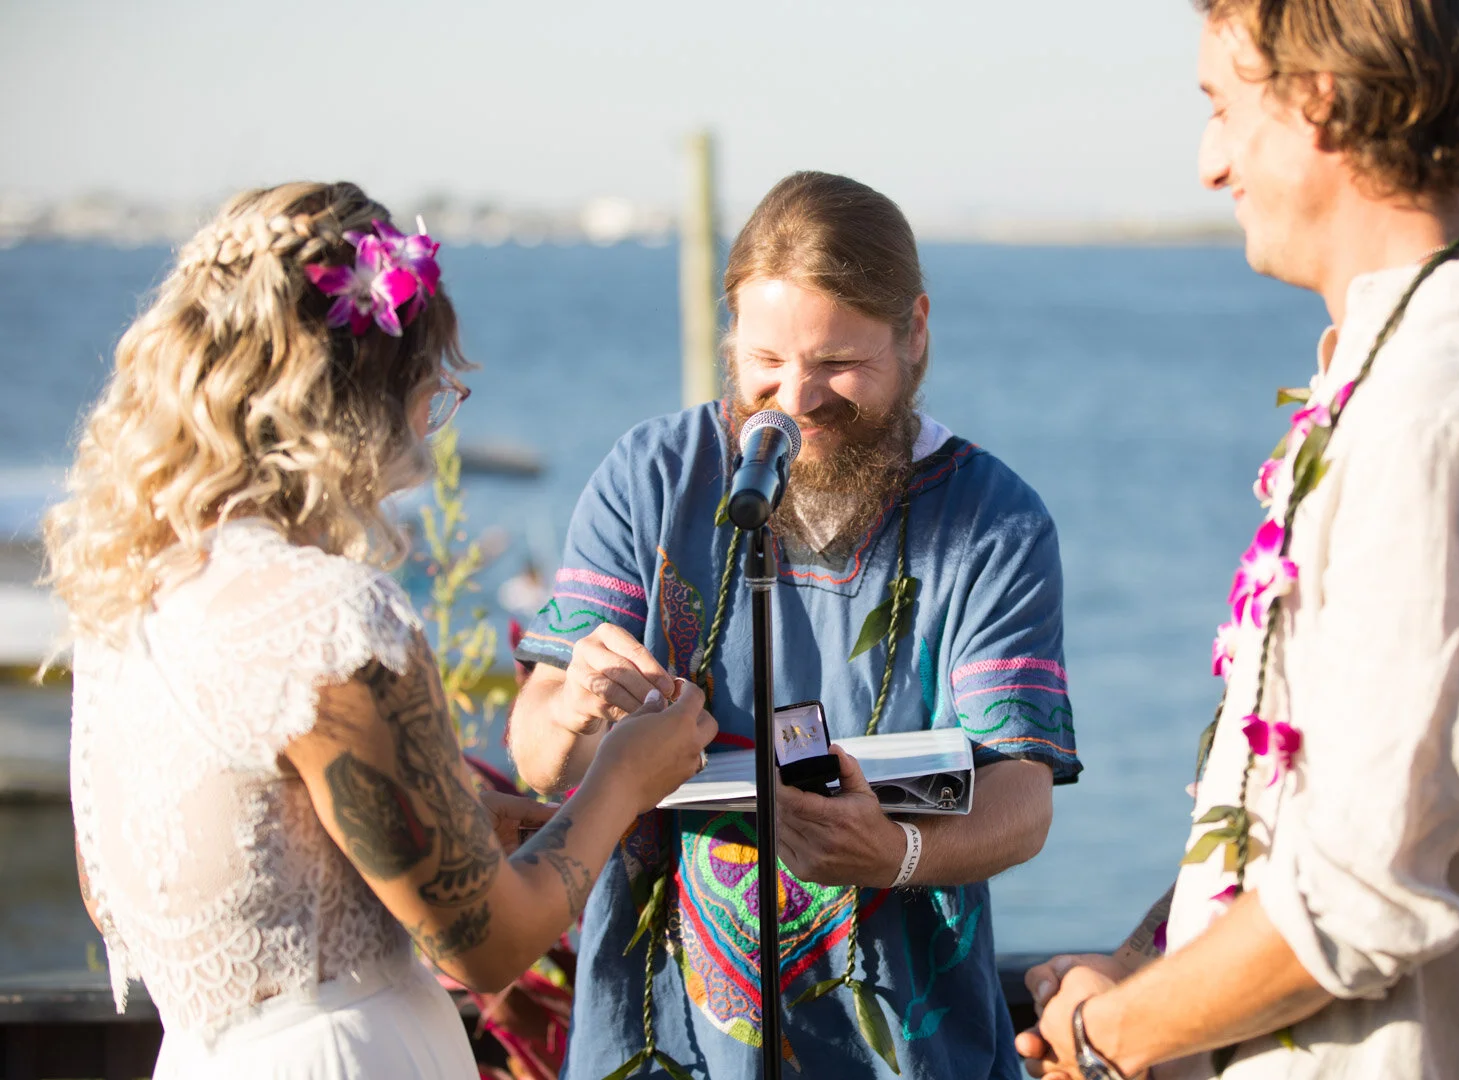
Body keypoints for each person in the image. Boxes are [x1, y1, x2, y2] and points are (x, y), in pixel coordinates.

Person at [1018, 2, 1459, 1078]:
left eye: (1222, 107)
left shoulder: (1435, 410)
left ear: (1318, 97)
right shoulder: (1402, 373)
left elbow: (1365, 890)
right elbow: (1317, 822)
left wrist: (1107, 1038)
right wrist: (1146, 969)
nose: (1210, 163)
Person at [47, 181, 716, 1080]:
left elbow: (137, 884)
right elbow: (487, 947)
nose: (433, 421)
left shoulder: (129, 594)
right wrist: (623, 778)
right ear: (364, 389)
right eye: (433, 384)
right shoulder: (328, 616)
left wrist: (441, 824)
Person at [508, 171, 1081, 1079]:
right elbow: (541, 755)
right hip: (664, 1047)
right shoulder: (649, 476)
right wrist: (573, 705)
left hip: (909, 1052)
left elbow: (1023, 796)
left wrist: (897, 852)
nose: (797, 400)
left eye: (838, 364)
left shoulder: (993, 520)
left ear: (915, 332)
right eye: (766, 361)